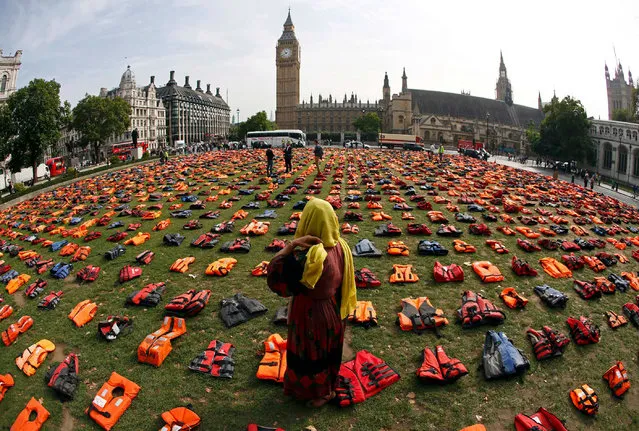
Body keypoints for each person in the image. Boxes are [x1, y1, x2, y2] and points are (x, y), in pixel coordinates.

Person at [266, 198, 357, 408]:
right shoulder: (340, 246)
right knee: (328, 351)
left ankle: (317, 393)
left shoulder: (309, 256)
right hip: (333, 308)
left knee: (310, 354)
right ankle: (326, 389)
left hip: (310, 312)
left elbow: (276, 281)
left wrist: (289, 247)